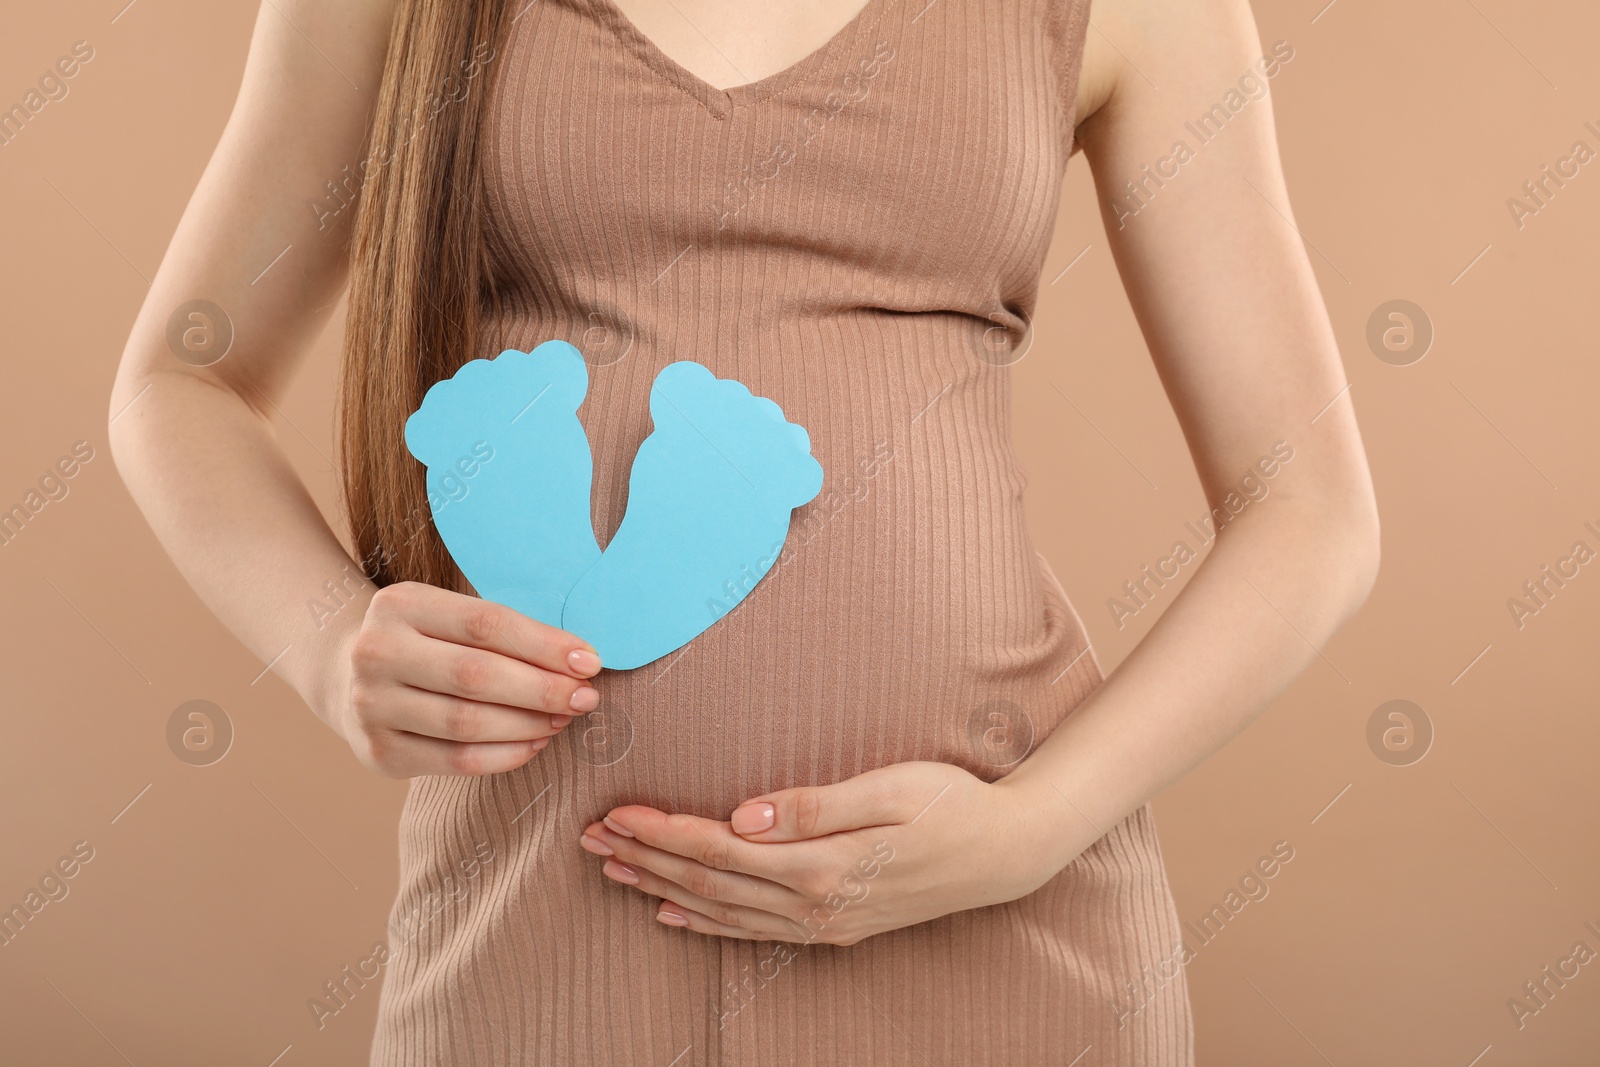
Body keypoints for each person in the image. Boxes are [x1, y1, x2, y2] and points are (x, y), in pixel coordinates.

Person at [108, 0, 1379, 1062]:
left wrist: (1026, 831)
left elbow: (1307, 508)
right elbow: (181, 380)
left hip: (994, 942)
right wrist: (330, 644)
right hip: (535, 935)